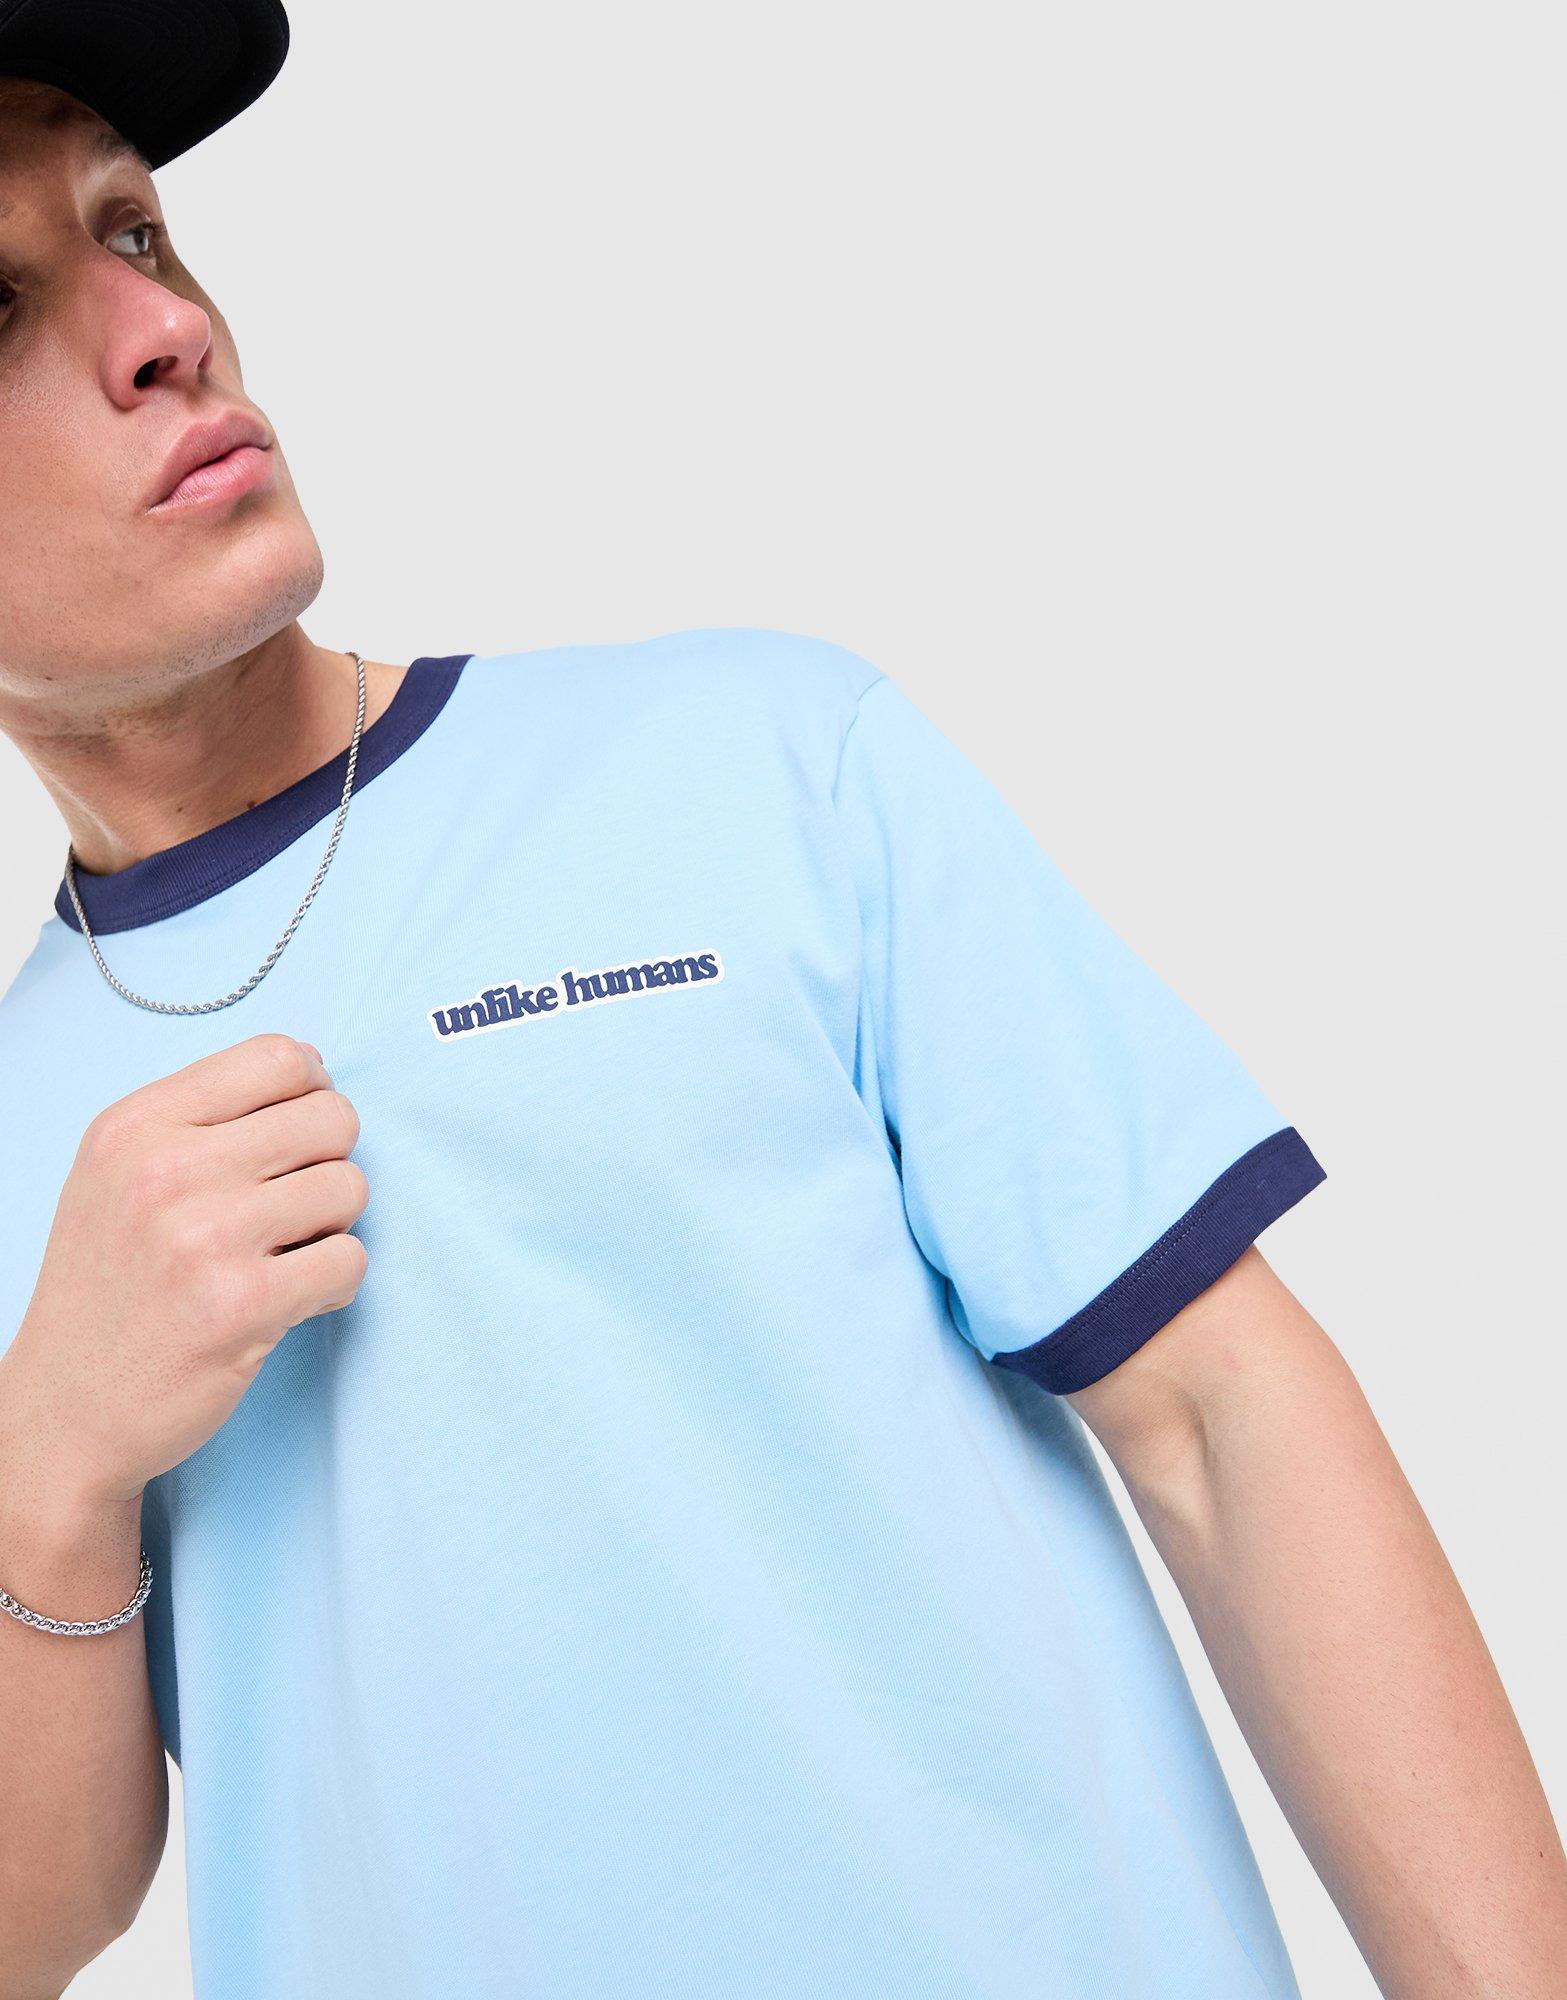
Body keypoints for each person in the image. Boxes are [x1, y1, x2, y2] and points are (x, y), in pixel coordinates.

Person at [1, 7, 1563, 1997]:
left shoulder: (758, 763)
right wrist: (47, 1461)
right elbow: (44, 1918)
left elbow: (1221, 1420)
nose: (164, 328)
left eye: (137, 229)